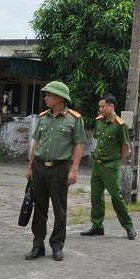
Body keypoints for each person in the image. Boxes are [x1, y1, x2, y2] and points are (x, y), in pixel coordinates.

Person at [25, 81, 86, 261]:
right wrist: (30, 166)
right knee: (39, 208)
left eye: (49, 95)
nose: (46, 97)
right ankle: (38, 245)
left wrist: (74, 170)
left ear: (59, 98)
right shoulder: (43, 118)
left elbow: (79, 145)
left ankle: (57, 246)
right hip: (40, 168)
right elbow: (36, 143)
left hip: (60, 169)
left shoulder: (74, 119)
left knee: (60, 210)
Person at [80, 94, 136, 240]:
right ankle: (97, 226)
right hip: (97, 165)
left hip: (110, 166)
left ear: (111, 106)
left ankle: (129, 226)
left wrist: (117, 163)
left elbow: (126, 149)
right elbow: (98, 141)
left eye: (102, 106)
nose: (100, 109)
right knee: (96, 196)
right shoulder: (99, 122)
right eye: (99, 106)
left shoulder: (120, 125)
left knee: (116, 197)